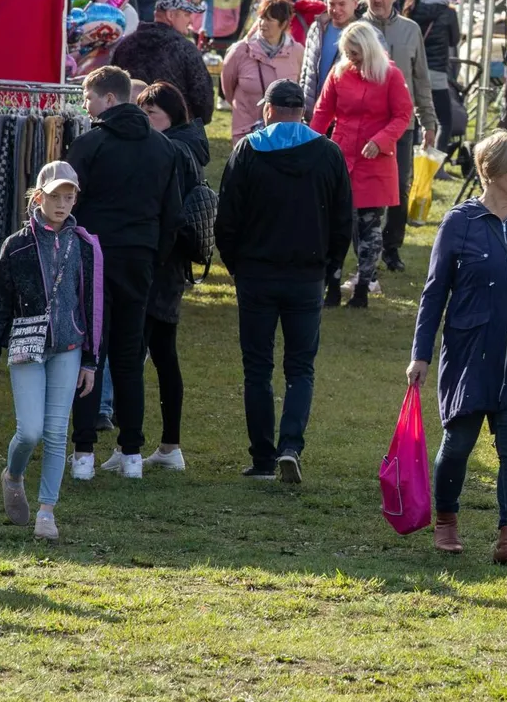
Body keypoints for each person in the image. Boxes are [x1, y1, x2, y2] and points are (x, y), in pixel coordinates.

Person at [408, 131, 507, 568]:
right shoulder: (460, 222)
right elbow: (434, 292)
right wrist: (421, 354)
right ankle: (446, 525)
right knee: (458, 444)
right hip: (469, 355)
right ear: (491, 172)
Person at [216, 79, 352, 483]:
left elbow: (227, 218)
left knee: (256, 368)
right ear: (303, 111)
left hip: (256, 274)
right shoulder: (328, 153)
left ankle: (261, 457)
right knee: (300, 368)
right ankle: (290, 446)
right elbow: (343, 220)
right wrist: (329, 267)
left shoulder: (248, 150)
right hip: (306, 276)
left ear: (268, 110)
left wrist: (236, 266)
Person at [66, 67, 182, 479]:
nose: (84, 104)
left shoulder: (88, 144)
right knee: (130, 356)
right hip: (140, 260)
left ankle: (83, 453)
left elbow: (66, 207)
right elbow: (173, 215)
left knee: (89, 354)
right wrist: (154, 255)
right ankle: (131, 452)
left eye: (88, 96)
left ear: (109, 99)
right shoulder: (164, 149)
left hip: (94, 257)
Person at [0, 161, 101, 542]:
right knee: (29, 431)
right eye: (55, 196)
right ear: (38, 196)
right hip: (26, 345)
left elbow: (93, 304)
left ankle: (47, 511)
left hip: (69, 345)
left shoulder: (84, 245)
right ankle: (13, 475)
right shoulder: (16, 246)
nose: (62, 204)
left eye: (69, 197)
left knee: (55, 431)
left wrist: (91, 359)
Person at [309, 21, 414, 308]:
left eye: (355, 53)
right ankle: (331, 284)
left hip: (375, 161)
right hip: (343, 157)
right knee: (336, 225)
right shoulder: (339, 73)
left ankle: (362, 288)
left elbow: (403, 115)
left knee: (370, 229)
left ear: (368, 49)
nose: (351, 58)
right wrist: (311, 145)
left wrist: (381, 140)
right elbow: (322, 112)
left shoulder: (390, 75)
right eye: (347, 53)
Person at [134, 82, 208, 472]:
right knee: (164, 354)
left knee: (141, 354)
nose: (146, 123)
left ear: (171, 116)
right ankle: (168, 446)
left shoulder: (172, 151)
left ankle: (134, 445)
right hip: (172, 266)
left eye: (151, 115)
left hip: (161, 267)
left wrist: (152, 258)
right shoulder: (187, 145)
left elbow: (168, 213)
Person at [361, 0, 436, 271]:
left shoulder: (410, 29)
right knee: (365, 189)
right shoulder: (358, 28)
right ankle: (366, 246)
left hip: (402, 126)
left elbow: (421, 79)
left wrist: (429, 121)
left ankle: (392, 248)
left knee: (399, 189)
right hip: (366, 124)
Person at [110, 0, 214, 123]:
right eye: (186, 14)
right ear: (170, 15)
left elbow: (112, 86)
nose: (190, 20)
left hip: (129, 127)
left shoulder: (125, 45)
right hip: (175, 133)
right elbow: (203, 99)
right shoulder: (185, 49)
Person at [223, 0, 303, 139]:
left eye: (269, 19)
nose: (262, 23)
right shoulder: (240, 50)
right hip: (246, 131)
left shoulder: (297, 51)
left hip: (282, 133)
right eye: (261, 18)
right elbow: (228, 88)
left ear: (283, 24)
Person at [405, 0, 461, 159]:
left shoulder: (411, 7)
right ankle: (435, 164)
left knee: (410, 118)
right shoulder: (447, 11)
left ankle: (411, 160)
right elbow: (454, 40)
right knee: (444, 120)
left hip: (412, 70)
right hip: (436, 71)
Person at [299, 0, 362, 118]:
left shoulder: (365, 36)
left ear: (355, 3)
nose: (336, 9)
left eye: (342, 4)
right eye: (332, 4)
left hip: (344, 119)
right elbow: (306, 72)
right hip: (312, 116)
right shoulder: (317, 29)